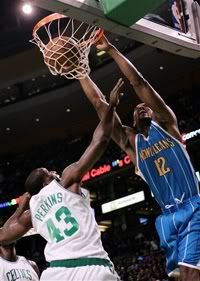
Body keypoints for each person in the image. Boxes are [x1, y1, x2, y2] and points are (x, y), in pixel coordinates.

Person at [79, 35, 200, 281]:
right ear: (132, 124)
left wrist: (110, 49)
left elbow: (139, 82)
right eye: (136, 110)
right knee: (178, 275)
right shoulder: (132, 146)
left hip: (193, 206)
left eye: (146, 107)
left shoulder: (167, 126)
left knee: (190, 273)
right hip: (166, 218)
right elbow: (98, 103)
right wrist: (80, 71)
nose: (142, 107)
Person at [0, 78, 124, 281]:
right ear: (46, 181)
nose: (54, 172)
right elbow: (100, 140)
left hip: (56, 273)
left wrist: (20, 207)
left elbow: (3, 236)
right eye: (49, 172)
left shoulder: (31, 213)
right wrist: (111, 106)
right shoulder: (65, 182)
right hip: (91, 267)